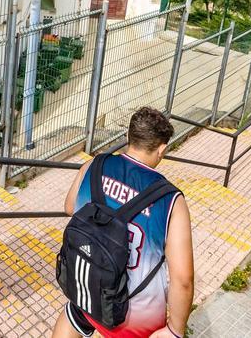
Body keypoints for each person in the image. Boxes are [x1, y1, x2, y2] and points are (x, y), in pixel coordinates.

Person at [51, 107, 194, 338]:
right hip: (135, 316)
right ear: (162, 149)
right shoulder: (171, 200)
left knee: (73, 315)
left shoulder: (95, 165)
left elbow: (70, 207)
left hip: (89, 288)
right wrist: (176, 329)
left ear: (128, 137)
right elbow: (183, 279)